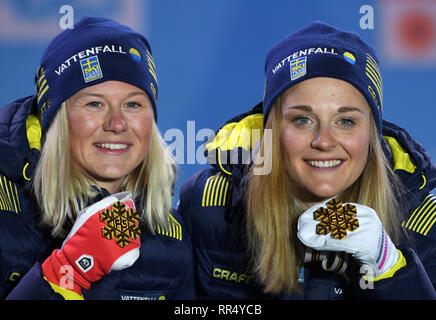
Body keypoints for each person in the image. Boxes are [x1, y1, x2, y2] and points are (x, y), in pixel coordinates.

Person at [177, 21, 436, 299]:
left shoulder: (425, 225)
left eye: (346, 121)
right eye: (302, 119)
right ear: (272, 129)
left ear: (372, 134)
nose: (324, 141)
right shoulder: (208, 204)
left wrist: (390, 268)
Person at [2, 17, 195, 300]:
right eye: (94, 103)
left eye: (133, 104)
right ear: (57, 119)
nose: (117, 123)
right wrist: (65, 273)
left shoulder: (171, 236)